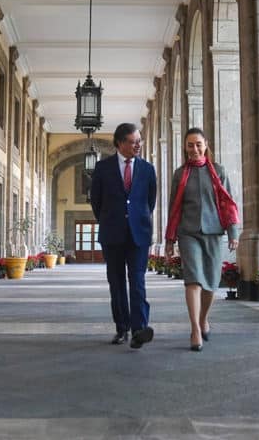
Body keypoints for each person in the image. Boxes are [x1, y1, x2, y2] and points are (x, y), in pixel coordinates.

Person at [165, 127, 240, 352]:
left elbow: (228, 202)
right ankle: (195, 329)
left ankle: (203, 319)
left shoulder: (218, 171)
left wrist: (233, 232)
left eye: (198, 144)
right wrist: (170, 239)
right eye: (190, 145)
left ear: (206, 144)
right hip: (188, 233)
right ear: (185, 147)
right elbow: (174, 208)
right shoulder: (180, 174)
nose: (195, 149)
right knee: (193, 280)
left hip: (214, 232)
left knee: (211, 283)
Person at [90, 123, 157, 349]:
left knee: (137, 281)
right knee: (116, 282)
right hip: (112, 233)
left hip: (139, 234)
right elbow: (96, 202)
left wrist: (137, 219)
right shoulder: (102, 168)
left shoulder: (148, 169)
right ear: (119, 143)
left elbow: (150, 202)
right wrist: (111, 219)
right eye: (132, 141)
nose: (137, 145)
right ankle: (122, 328)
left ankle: (139, 329)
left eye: (139, 141)